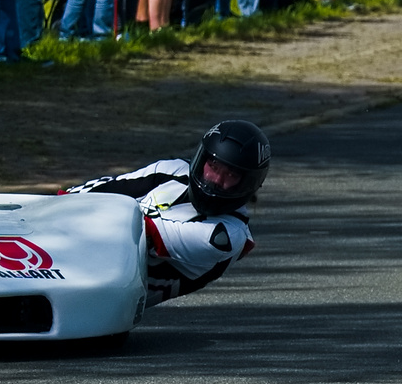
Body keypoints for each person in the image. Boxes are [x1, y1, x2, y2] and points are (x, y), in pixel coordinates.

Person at [65, 120, 270, 308]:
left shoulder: (227, 235)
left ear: (248, 183)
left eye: (231, 175)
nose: (216, 180)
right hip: (74, 254)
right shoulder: (172, 170)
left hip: (103, 297)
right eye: (213, 167)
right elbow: (77, 195)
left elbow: (136, 231)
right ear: (201, 160)